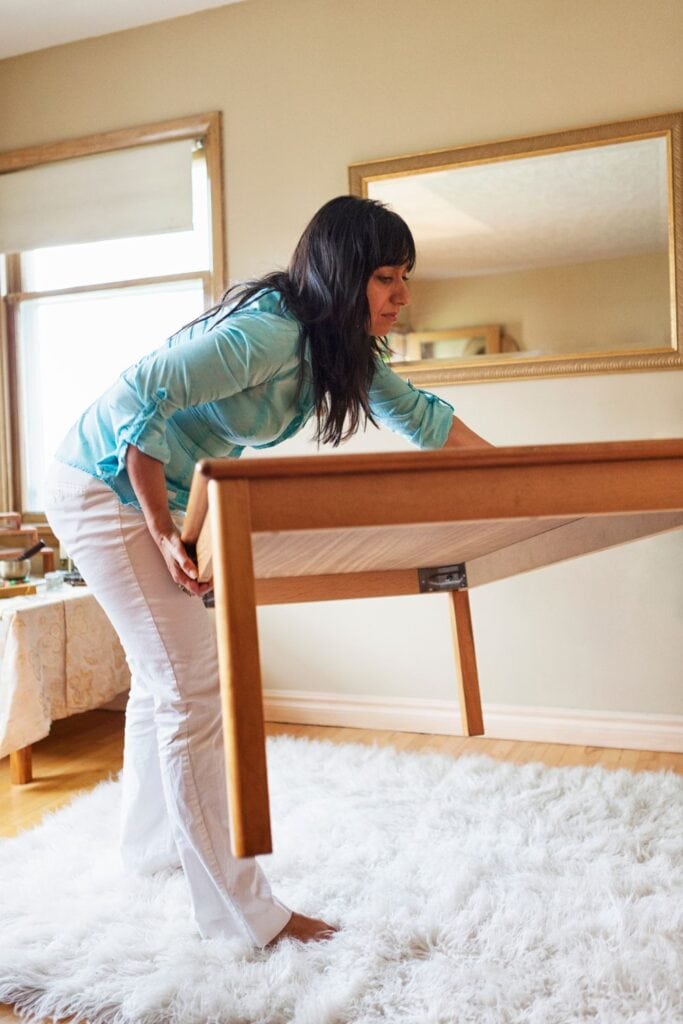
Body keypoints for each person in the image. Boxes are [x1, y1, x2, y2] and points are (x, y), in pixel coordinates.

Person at [44, 195, 490, 949]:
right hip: (106, 485)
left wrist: (521, 478)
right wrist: (161, 529)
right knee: (192, 689)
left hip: (162, 491)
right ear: (343, 274)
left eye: (404, 277)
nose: (402, 296)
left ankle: (154, 851)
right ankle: (244, 918)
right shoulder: (270, 332)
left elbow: (423, 419)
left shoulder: (341, 349)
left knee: (165, 681)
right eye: (385, 278)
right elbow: (140, 394)